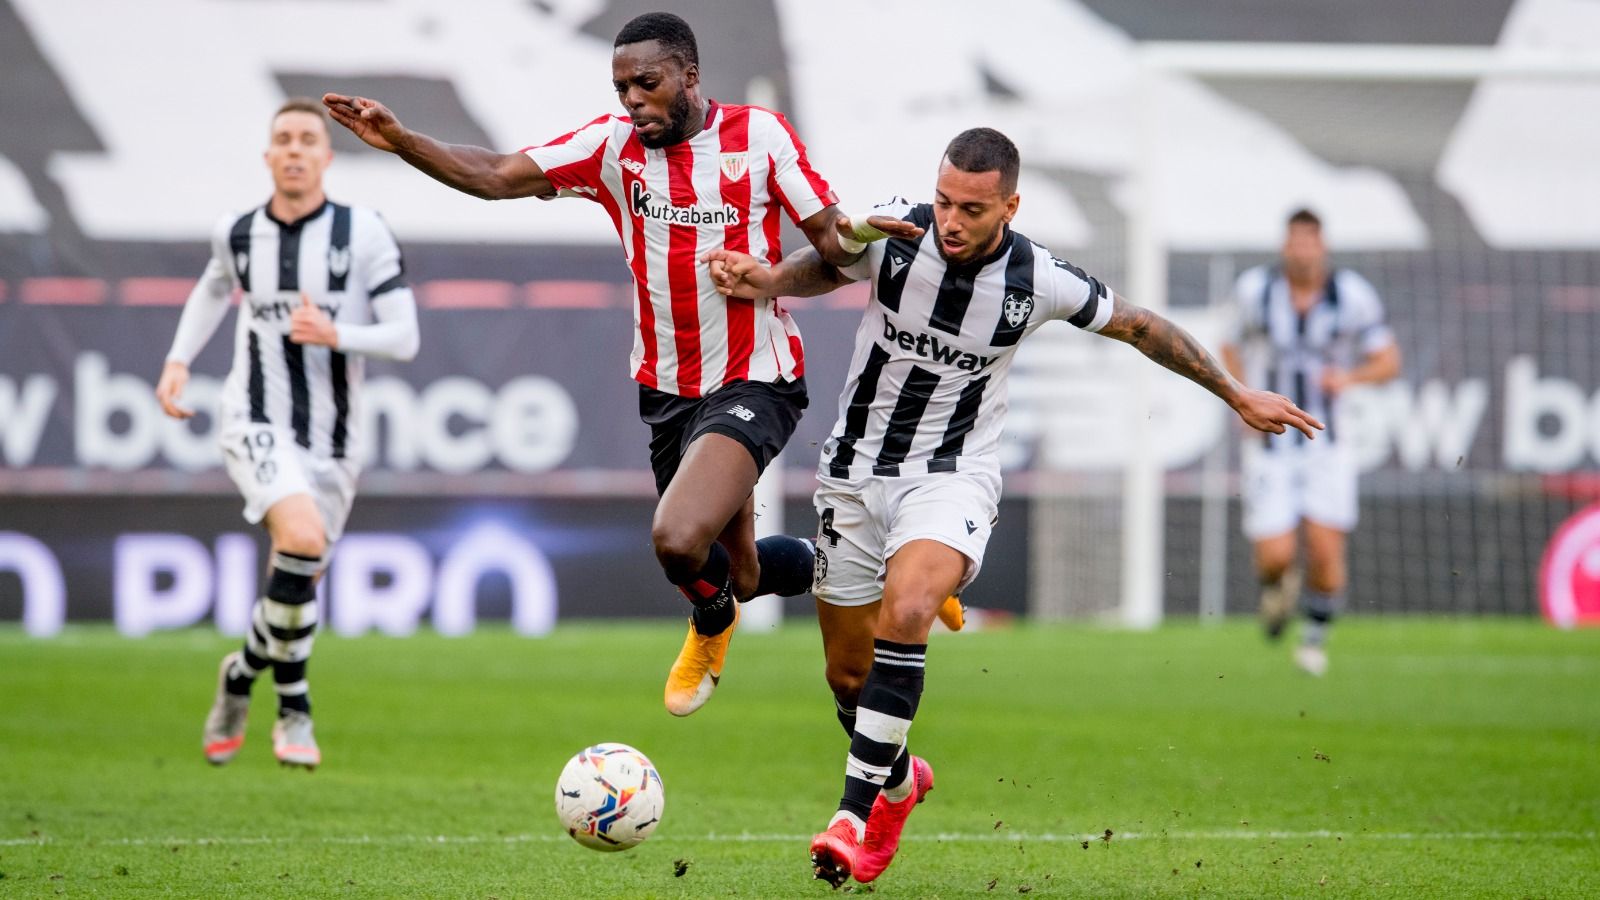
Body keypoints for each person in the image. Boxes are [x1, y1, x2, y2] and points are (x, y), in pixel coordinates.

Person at [704, 127, 1320, 886]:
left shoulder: (1040, 279)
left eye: (972, 207)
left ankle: (851, 817)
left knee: (909, 610)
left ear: (1010, 206)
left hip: (953, 476)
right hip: (855, 473)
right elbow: (828, 263)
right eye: (944, 201)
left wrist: (1235, 392)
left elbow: (1141, 326)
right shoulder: (897, 232)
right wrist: (766, 280)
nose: (952, 220)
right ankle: (899, 783)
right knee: (847, 679)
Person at [322, 11, 932, 716]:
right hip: (667, 390)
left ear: (690, 76)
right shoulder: (612, 150)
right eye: (622, 88)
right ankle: (888, 570)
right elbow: (495, 174)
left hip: (755, 378)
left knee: (676, 539)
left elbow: (830, 241)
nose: (633, 100)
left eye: (647, 83)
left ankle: (711, 622)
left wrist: (854, 227)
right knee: (742, 571)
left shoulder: (758, 138)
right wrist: (401, 141)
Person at [157, 98, 421, 769]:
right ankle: (296, 706)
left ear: (328, 157)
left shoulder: (363, 233)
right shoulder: (239, 232)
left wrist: (339, 333)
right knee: (300, 539)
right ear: (269, 156)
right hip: (255, 417)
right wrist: (179, 361)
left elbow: (405, 337)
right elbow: (213, 288)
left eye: (309, 139)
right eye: (284, 140)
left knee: (298, 572)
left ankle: (241, 676)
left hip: (335, 437)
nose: (296, 149)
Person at [1220, 209, 1401, 676]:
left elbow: (1387, 360)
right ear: (1285, 246)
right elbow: (1227, 345)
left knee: (1324, 546)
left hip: (1327, 441)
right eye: (1294, 242)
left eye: (1310, 242)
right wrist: (1240, 395)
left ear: (1322, 246)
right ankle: (1276, 589)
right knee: (1276, 556)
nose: (1302, 251)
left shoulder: (1352, 296)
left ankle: (1314, 639)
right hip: (1270, 441)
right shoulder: (1256, 291)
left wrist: (1350, 377)